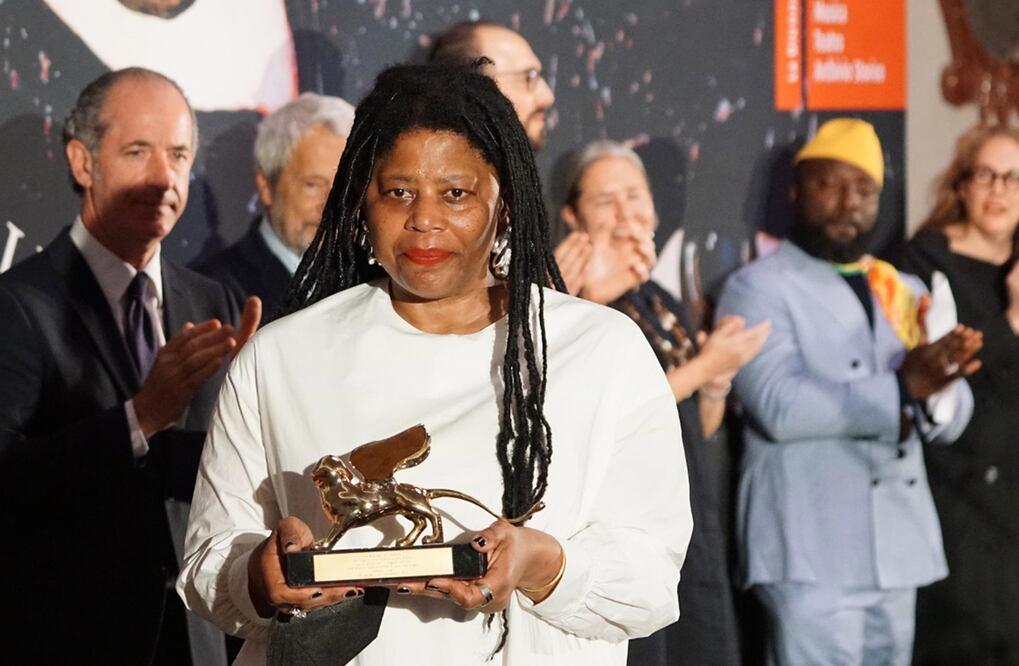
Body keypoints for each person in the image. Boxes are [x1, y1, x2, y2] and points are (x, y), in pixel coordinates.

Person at [176, 62, 692, 665]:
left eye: (456, 193)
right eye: (398, 192)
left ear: (504, 202)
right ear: (361, 203)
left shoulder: (602, 352)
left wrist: (542, 563)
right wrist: (258, 575)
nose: (424, 218)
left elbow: (651, 583)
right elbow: (205, 566)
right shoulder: (280, 357)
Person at [0, 67, 259, 664]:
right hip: (68, 637)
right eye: (138, 151)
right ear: (83, 162)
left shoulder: (212, 302)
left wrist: (250, 414)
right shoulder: (18, 305)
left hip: (198, 639)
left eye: (178, 155)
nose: (164, 177)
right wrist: (139, 418)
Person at [716, 118, 981, 666]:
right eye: (829, 185)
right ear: (796, 191)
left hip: (897, 546)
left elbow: (950, 413)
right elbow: (780, 406)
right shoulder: (756, 287)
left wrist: (939, 390)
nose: (847, 204)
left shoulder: (899, 287)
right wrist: (906, 387)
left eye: (864, 190)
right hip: (810, 545)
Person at [560, 140, 769, 665]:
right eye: (607, 201)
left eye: (636, 196)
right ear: (572, 217)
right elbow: (610, 414)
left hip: (687, 518)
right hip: (619, 531)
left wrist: (718, 378)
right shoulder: (570, 305)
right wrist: (702, 367)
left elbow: (694, 428)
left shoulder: (660, 299)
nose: (626, 213)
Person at [903, 125, 1019, 666]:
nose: (1000, 189)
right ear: (963, 185)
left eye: (1014, 177)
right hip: (956, 492)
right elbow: (936, 383)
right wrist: (1012, 321)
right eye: (986, 175)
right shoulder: (925, 263)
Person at [430, 20, 592, 295]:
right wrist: (547, 301)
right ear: (474, 87)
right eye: (528, 77)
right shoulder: (435, 196)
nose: (547, 96)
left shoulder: (529, 203)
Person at [194, 93, 355, 321]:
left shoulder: (378, 283)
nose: (332, 207)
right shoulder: (211, 292)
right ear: (266, 185)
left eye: (344, 187)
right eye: (312, 185)